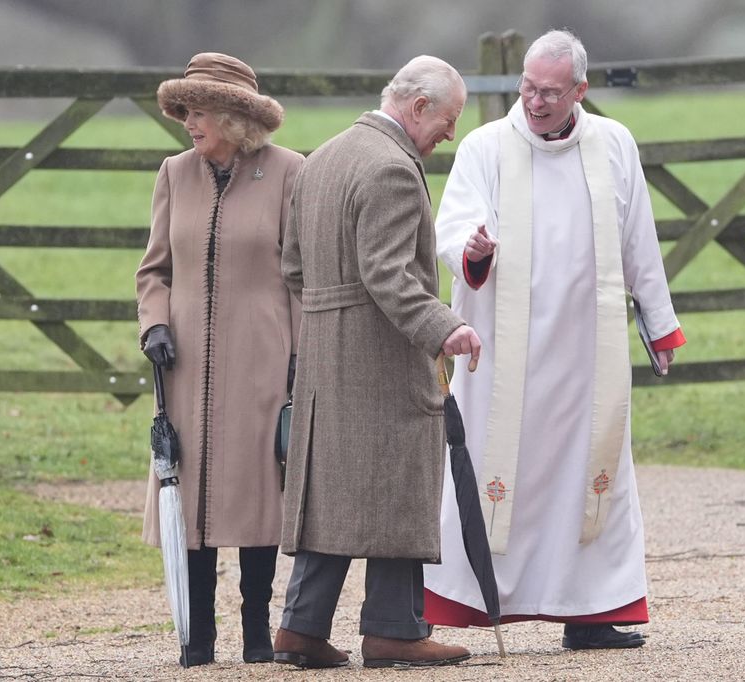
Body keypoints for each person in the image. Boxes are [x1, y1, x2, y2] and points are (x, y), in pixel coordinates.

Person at [423, 29, 686, 650]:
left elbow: (637, 238)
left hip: (585, 355)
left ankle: (591, 612)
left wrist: (659, 323)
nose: (536, 102)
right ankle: (455, 603)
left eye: (550, 92)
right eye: (528, 88)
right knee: (487, 467)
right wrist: (472, 249)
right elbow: (452, 225)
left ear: (580, 91)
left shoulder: (614, 143)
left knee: (590, 476)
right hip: (500, 353)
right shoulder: (486, 147)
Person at [273, 55, 482, 670]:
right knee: (396, 485)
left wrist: (330, 317)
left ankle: (300, 629)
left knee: (331, 491)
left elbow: (291, 267)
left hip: (323, 354)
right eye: (446, 121)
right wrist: (446, 327)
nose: (449, 136)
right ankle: (395, 629)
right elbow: (388, 274)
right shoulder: (393, 167)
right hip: (382, 355)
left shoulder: (322, 158)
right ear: (418, 107)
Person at [135, 52, 303, 667]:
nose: (188, 122)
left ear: (235, 118)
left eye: (199, 111)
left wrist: (300, 352)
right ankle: (196, 636)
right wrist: (154, 323)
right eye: (185, 110)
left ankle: (258, 631)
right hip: (183, 366)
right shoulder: (174, 174)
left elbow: (301, 276)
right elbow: (153, 270)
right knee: (192, 494)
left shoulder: (289, 172)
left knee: (260, 493)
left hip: (264, 356)